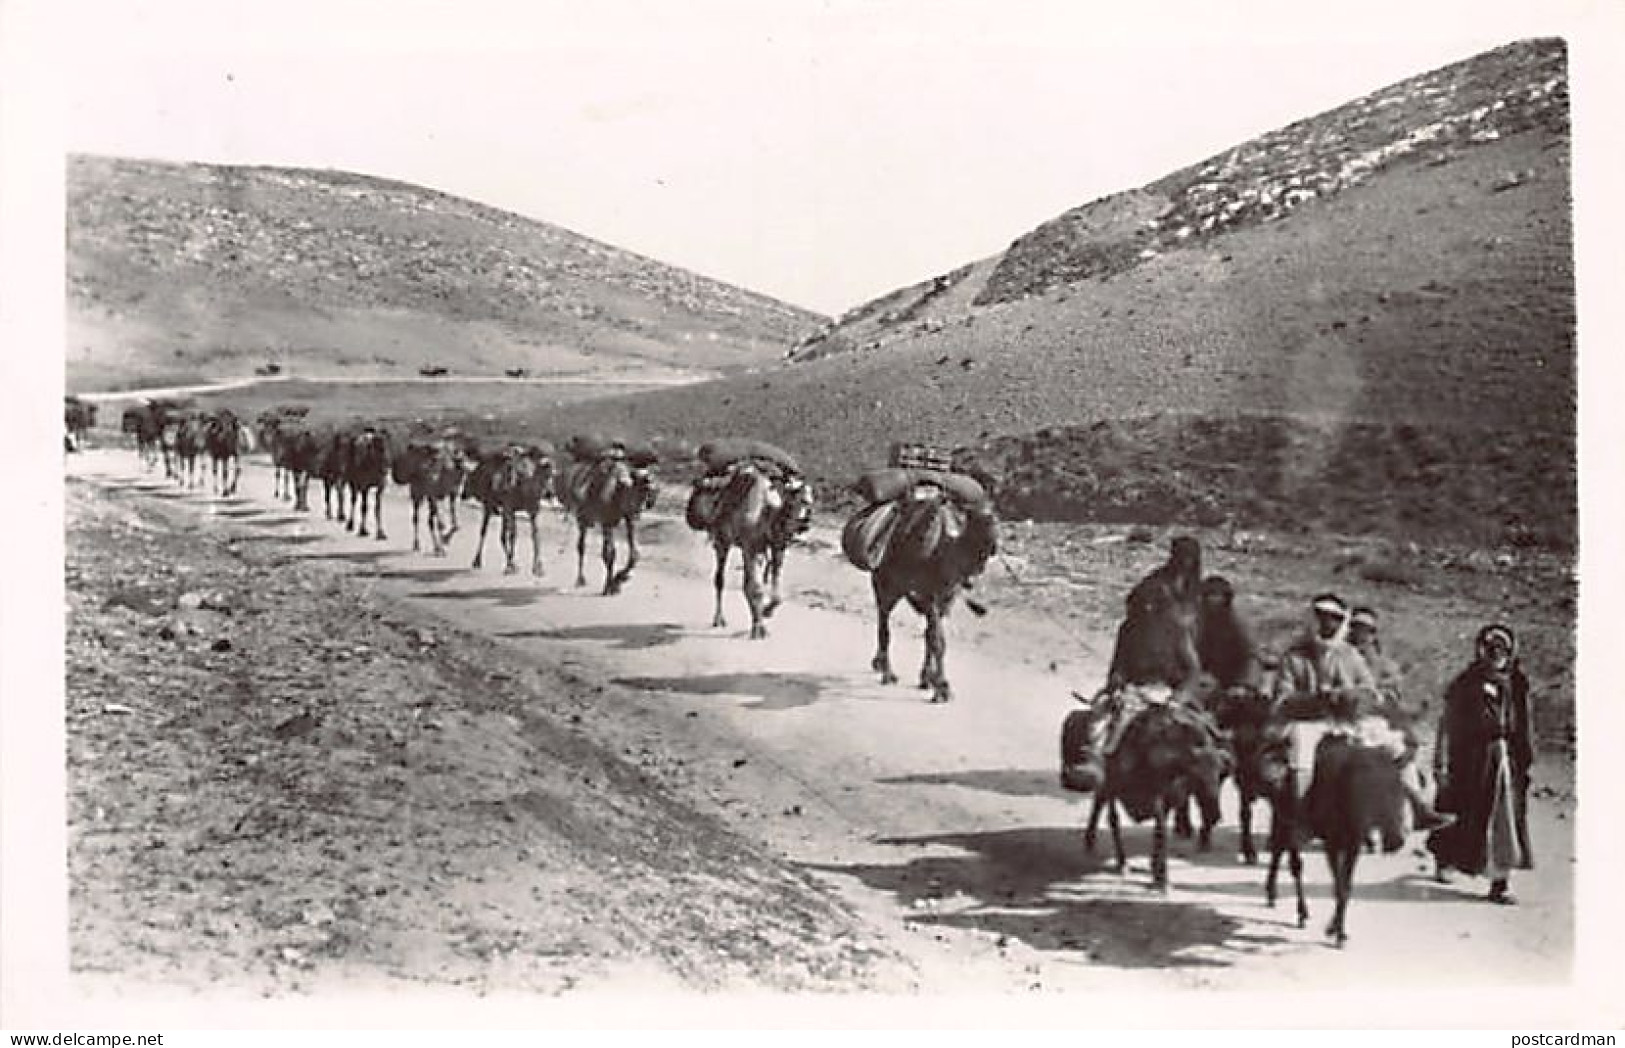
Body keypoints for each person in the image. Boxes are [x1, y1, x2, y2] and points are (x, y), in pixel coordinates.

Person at [1428, 624, 1535, 904]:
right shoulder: (1466, 684)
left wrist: (1524, 760)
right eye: (1491, 648)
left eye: (1502, 648)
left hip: (1506, 759)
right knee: (1468, 814)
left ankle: (1500, 882)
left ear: (1511, 652)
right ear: (1481, 650)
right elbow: (1448, 725)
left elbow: (1525, 724)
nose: (1496, 654)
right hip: (1473, 759)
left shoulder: (1517, 684)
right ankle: (1444, 853)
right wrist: (1443, 763)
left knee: (1505, 819)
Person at [1345, 605, 1451, 833]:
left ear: (1374, 635)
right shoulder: (1338, 658)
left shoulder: (1385, 667)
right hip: (1342, 721)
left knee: (1401, 755)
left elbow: (1393, 703)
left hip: (1377, 723)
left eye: (1366, 631)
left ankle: (1418, 809)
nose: (1360, 636)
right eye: (1355, 629)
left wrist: (1409, 710)